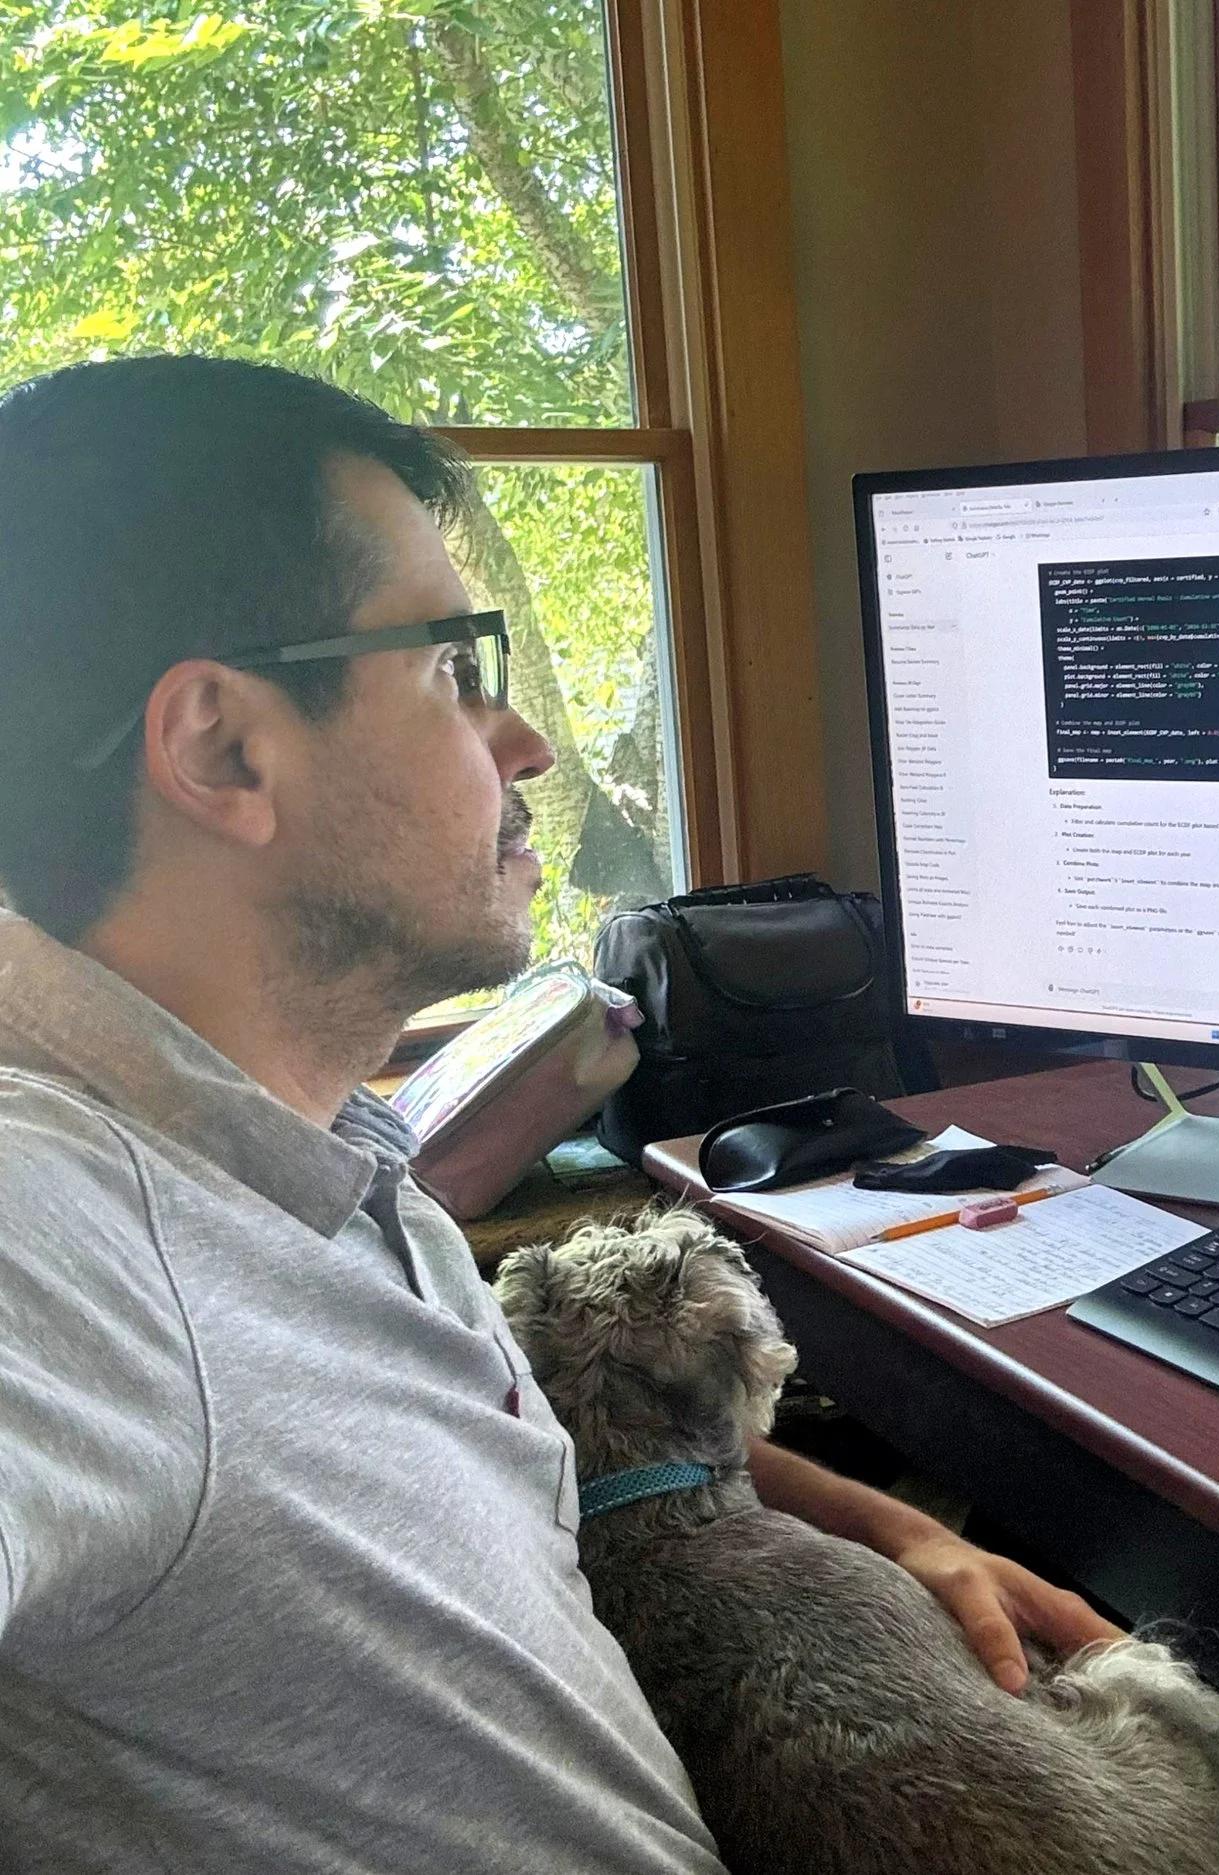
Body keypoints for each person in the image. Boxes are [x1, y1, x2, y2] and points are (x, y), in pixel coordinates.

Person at [0, 355, 1120, 1873]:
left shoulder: (313, 1146)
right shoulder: (54, 1216)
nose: (522, 744)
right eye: (453, 671)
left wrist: (889, 1526)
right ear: (224, 748)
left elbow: (477, 1444)